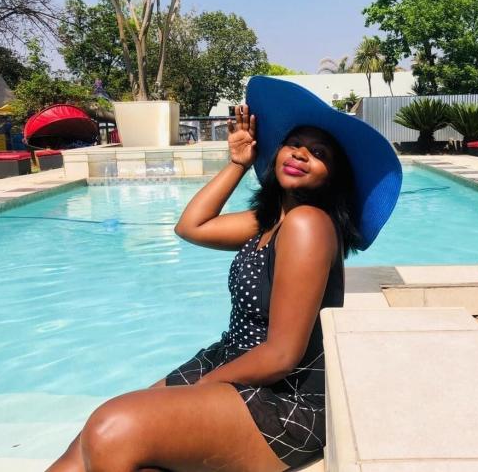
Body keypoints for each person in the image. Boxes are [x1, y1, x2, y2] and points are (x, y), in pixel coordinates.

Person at [47, 76, 401, 472]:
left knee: (111, 429)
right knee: (86, 445)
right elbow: (191, 227)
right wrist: (237, 164)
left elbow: (282, 355)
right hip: (231, 361)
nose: (301, 154)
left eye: (318, 153)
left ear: (333, 176)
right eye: (294, 143)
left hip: (284, 397)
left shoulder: (309, 225)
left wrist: (203, 388)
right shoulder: (270, 221)